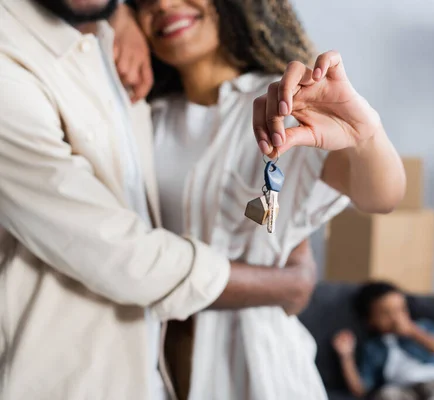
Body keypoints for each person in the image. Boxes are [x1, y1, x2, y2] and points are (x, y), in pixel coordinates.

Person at [0, 1, 404, 400]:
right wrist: (281, 285)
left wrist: (365, 136)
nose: (162, 4)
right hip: (161, 366)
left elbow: (380, 197)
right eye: (143, 1)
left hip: (257, 364)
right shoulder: (143, 116)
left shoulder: (285, 104)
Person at [332, 282, 434, 400]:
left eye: (401, 310)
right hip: (403, 389)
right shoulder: (373, 348)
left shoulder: (423, 327)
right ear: (370, 320)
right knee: (385, 395)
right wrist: (346, 356)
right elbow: (361, 390)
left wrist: (413, 331)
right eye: (386, 313)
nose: (396, 318)